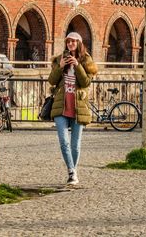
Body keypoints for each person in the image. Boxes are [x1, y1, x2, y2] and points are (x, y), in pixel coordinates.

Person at [47, 31, 96, 185]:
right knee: (63, 141)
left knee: (75, 144)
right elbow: (51, 80)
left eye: (74, 41)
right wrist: (60, 67)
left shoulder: (86, 60)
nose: (71, 44)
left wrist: (77, 65)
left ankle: (72, 173)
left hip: (78, 106)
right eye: (68, 41)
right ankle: (71, 171)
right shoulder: (59, 59)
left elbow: (86, 82)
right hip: (61, 105)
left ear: (79, 43)